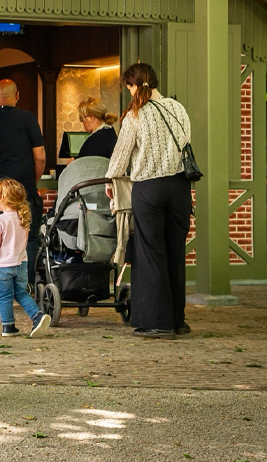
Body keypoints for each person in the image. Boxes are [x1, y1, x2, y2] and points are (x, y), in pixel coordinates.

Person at [104, 63, 192, 338]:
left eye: (128, 86)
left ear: (133, 85)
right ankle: (178, 320)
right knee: (175, 254)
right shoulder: (178, 109)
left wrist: (111, 181)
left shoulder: (135, 114)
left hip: (148, 188)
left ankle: (158, 322)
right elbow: (186, 141)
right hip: (179, 187)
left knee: (151, 254)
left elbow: (120, 156)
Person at [0, 79, 45, 305]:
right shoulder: (27, 119)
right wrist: (31, 182)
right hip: (23, 187)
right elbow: (40, 157)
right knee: (30, 237)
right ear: (17, 95)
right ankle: (26, 288)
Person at [0, 178, 51, 339]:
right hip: (21, 264)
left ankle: (8, 326)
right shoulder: (23, 219)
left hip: (3, 266)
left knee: (5, 296)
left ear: (2, 199)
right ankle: (37, 316)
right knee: (21, 293)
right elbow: (24, 242)